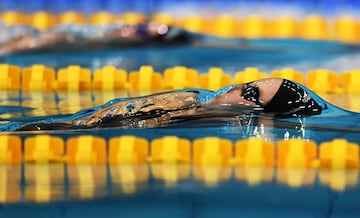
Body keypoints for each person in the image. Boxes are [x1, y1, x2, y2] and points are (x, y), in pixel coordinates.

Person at [15, 78, 323, 131]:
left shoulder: (195, 114)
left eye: (251, 94)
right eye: (246, 83)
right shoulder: (188, 102)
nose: (234, 88)